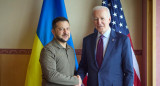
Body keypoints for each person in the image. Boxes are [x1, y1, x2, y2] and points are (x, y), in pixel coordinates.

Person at [77, 6, 134, 86]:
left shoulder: (122, 40)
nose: (99, 22)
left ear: (109, 19)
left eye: (102, 18)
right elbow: (83, 65)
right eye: (96, 19)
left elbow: (129, 72)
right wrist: (78, 77)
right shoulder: (87, 40)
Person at [39, 17, 81, 86]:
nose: (65, 32)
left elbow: (72, 73)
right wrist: (75, 81)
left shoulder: (70, 49)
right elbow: (51, 75)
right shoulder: (47, 50)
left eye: (67, 29)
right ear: (53, 31)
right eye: (61, 29)